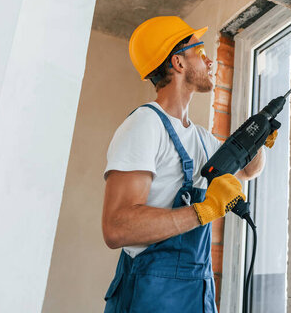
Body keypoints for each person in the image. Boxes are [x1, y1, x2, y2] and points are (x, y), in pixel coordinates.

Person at [101, 16, 275, 312]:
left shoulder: (200, 138)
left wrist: (256, 137)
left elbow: (248, 170)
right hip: (151, 295)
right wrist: (204, 210)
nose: (210, 63)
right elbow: (117, 228)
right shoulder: (144, 125)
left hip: (196, 291)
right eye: (202, 53)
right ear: (178, 63)